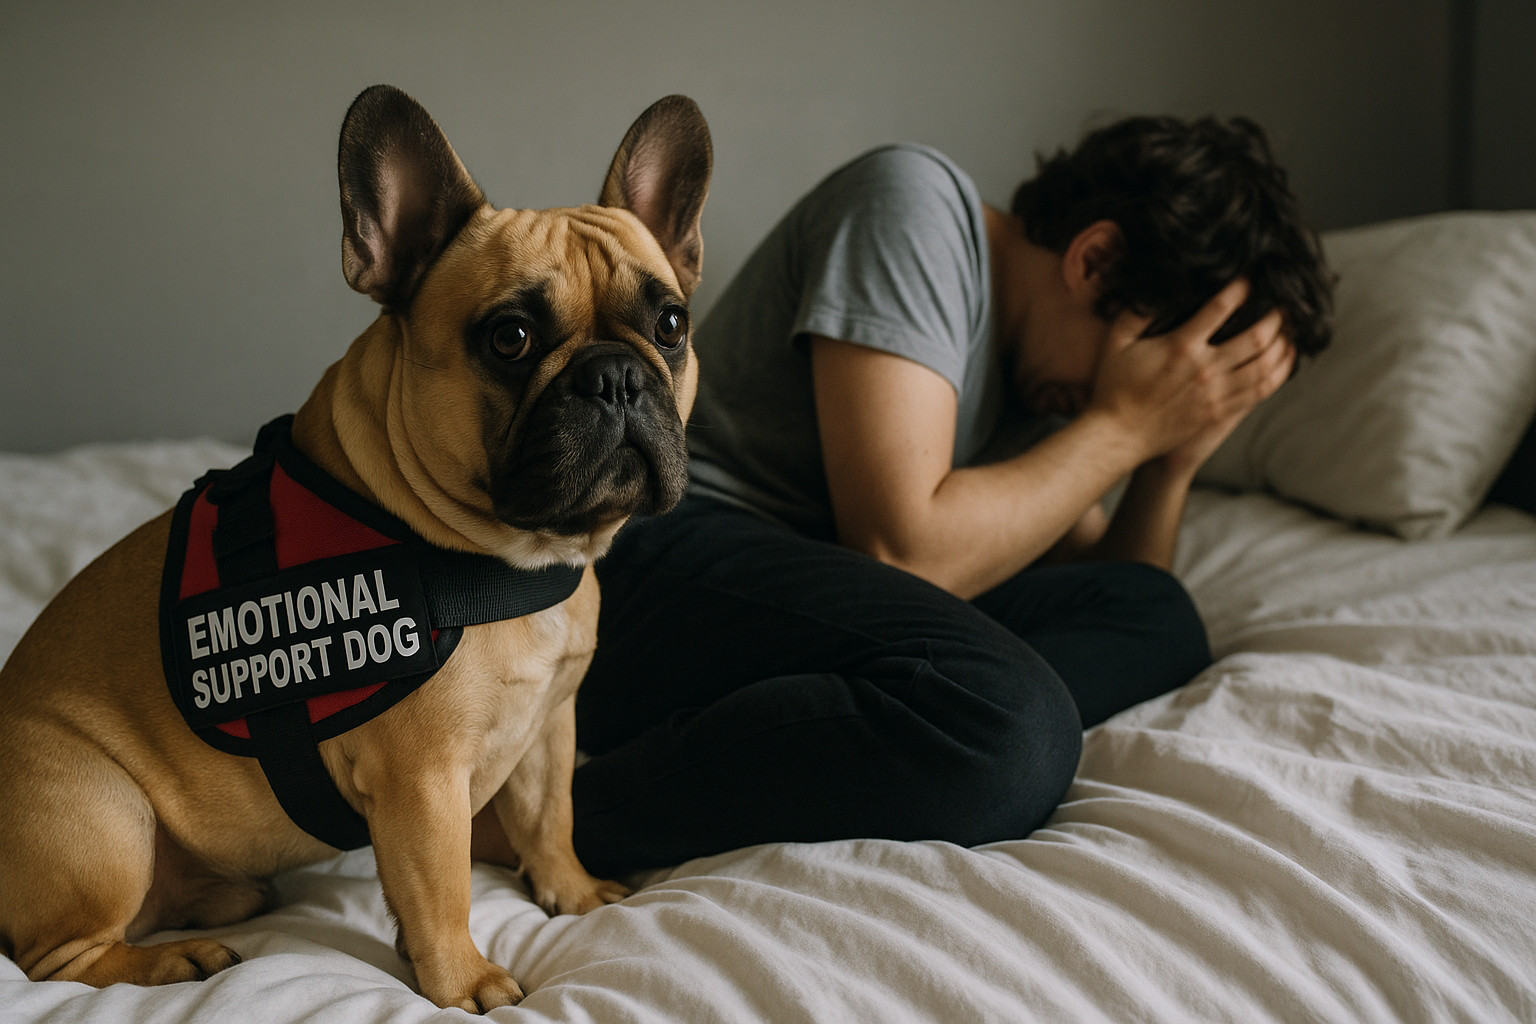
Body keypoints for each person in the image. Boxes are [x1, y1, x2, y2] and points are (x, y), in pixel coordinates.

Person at [565, 115, 1333, 877]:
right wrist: (1128, 423)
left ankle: (814, 724)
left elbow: (1112, 582)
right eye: (1156, 371)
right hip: (664, 555)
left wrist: (1170, 458)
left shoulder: (1049, 382)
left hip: (814, 614)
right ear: (1095, 261)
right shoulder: (914, 206)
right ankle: (558, 820)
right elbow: (904, 549)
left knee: (1157, 614)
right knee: (1010, 728)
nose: (1120, 403)